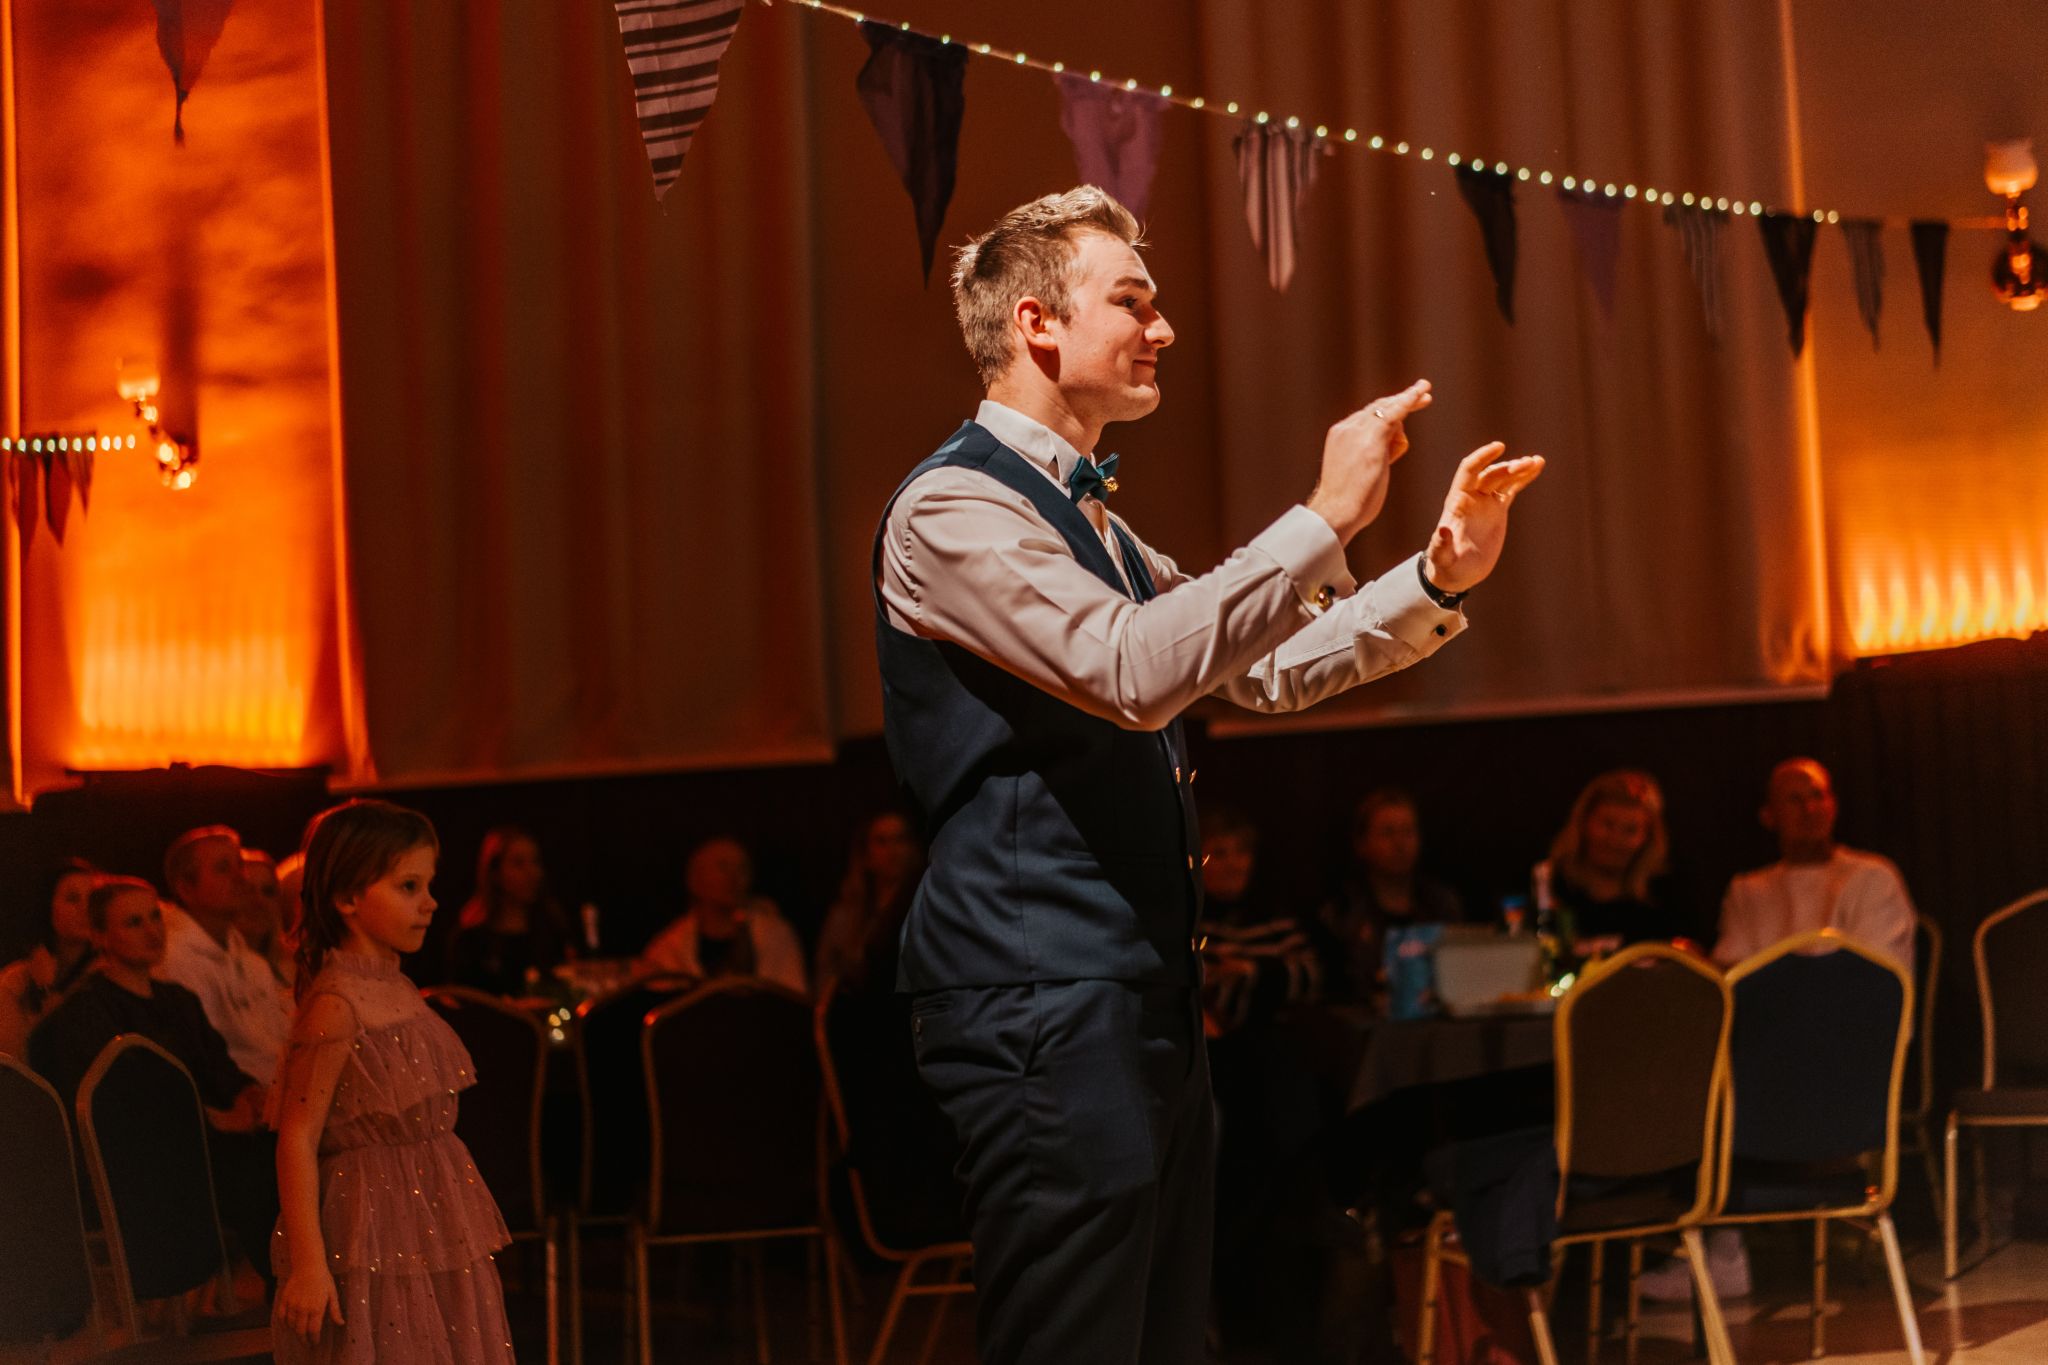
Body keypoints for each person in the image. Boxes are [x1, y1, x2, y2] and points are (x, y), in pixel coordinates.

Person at [875, 186, 1542, 1364]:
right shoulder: (950, 507)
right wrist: (1324, 514)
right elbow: (1132, 671)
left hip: (1132, 998)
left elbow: (1261, 669)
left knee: (1159, 1338)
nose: (1163, 328)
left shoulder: (1098, 523)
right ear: (1036, 324)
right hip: (1037, 999)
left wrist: (1434, 580)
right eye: (1132, 301)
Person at [269, 799, 513, 1363]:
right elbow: (298, 1136)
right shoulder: (336, 1004)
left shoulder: (396, 985)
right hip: (372, 1219)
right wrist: (309, 1266)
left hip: (428, 1207)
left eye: (428, 884)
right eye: (408, 887)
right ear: (348, 898)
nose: (430, 902)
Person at [30, 878, 277, 1283]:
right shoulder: (88, 1011)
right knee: (257, 1170)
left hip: (204, 1140)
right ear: (100, 937)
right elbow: (128, 1101)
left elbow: (219, 1067)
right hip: (150, 1157)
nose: (152, 931)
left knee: (282, 1146)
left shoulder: (178, 1001)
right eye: (133, 923)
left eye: (154, 918)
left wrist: (249, 1094)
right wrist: (212, 1120)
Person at [1713, 757, 1916, 971]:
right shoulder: (1747, 892)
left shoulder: (1873, 877)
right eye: (1794, 799)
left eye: (1818, 796)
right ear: (1768, 815)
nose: (1809, 809)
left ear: (1833, 806)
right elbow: (1734, 975)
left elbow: (1876, 977)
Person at [159, 825, 292, 1090]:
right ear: (186, 888)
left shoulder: (251, 963)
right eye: (223, 868)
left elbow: (280, 1044)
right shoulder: (173, 960)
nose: (241, 878)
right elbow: (203, 1062)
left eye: (239, 865)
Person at [1316, 789, 1463, 1007]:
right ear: (1362, 844)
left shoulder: (1442, 904)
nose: (1399, 843)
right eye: (1387, 833)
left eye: (1408, 832)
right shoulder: (1342, 911)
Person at [1534, 769, 1692, 951]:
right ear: (1583, 822)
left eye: (1630, 830)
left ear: (1648, 837)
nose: (1615, 840)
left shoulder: (1666, 896)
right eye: (1607, 824)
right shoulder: (1547, 884)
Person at [636, 835, 807, 995]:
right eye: (723, 867)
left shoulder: (775, 936)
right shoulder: (669, 949)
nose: (734, 878)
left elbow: (793, 998)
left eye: (742, 869)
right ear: (695, 879)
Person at [444, 827, 577, 996]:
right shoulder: (471, 940)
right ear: (495, 873)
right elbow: (462, 1001)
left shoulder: (551, 926)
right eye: (518, 863)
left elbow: (568, 987)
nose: (532, 873)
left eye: (535, 862)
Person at [813, 809, 924, 996]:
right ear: (866, 855)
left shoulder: (924, 909)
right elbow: (825, 978)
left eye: (900, 839)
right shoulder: (845, 917)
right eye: (882, 841)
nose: (892, 850)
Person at [0, 858, 100, 1057]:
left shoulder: (108, 972)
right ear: (48, 906)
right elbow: (14, 1062)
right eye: (73, 898)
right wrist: (44, 989)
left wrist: (47, 992)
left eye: (93, 899)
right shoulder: (18, 980)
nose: (85, 908)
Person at [240, 848, 295, 988]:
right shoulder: (215, 969)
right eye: (247, 890)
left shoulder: (296, 968)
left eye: (268, 891)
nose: (259, 900)